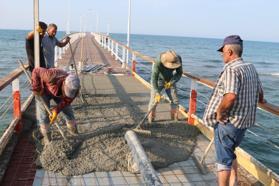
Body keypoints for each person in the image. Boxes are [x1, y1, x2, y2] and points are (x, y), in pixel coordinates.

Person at [203, 35, 265, 186]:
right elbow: (260, 92)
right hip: (243, 123)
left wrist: (219, 112)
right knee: (230, 151)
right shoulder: (250, 67)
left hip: (228, 123)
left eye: (223, 51)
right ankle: (234, 181)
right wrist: (262, 101)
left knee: (223, 160)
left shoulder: (231, 70)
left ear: (230, 51)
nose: (221, 54)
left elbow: (230, 96)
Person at [32, 67, 80, 145]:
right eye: (67, 91)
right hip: (43, 91)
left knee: (68, 112)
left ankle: (74, 133)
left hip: (58, 94)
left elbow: (67, 101)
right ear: (64, 83)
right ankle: (48, 140)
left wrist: (56, 110)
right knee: (43, 116)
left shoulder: (75, 88)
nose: (69, 93)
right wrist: (37, 88)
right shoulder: (50, 75)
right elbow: (36, 71)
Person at [148, 50, 183, 123]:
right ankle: (151, 120)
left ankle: (175, 120)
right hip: (159, 80)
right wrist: (157, 92)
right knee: (154, 101)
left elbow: (179, 73)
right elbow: (154, 78)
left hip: (170, 80)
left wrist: (172, 82)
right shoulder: (158, 61)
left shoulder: (178, 59)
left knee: (175, 100)